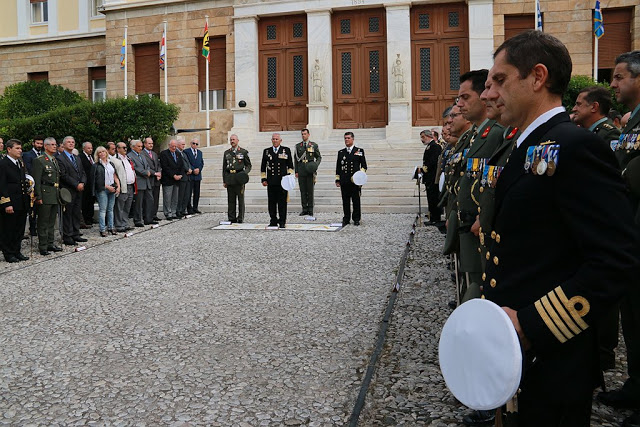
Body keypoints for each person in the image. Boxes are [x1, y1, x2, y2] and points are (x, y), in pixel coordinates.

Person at [482, 30, 638, 425]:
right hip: (520, 354)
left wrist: (532, 324)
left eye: (500, 80)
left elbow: (615, 259)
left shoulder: (573, 146)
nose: (488, 94)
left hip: (553, 355)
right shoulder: (528, 146)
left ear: (537, 77)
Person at [599, 50, 640, 427]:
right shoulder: (632, 123)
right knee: (634, 316)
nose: (613, 84)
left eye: (620, 76)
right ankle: (636, 384)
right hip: (628, 232)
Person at [0, 139, 31, 262]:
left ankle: (16, 251)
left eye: (20, 148)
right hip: (11, 202)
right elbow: (2, 185)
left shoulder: (20, 163)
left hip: (21, 201)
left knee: (19, 228)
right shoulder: (3, 164)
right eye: (17, 148)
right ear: (9, 149)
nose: (20, 150)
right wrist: (6, 203)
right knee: (8, 229)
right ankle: (8, 253)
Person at [32, 137, 63, 255]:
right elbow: (37, 180)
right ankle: (43, 246)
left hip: (54, 194)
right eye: (52, 145)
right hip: (45, 194)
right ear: (46, 146)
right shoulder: (39, 160)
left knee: (51, 221)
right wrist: (38, 196)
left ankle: (50, 243)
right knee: (43, 221)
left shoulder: (54, 160)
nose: (55, 146)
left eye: (55, 145)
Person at [56, 136, 88, 246]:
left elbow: (82, 172)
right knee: (68, 213)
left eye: (73, 142)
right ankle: (67, 235)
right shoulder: (60, 158)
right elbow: (63, 175)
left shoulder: (77, 157)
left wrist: (83, 183)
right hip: (68, 189)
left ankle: (75, 232)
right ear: (63, 145)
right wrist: (76, 184)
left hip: (79, 189)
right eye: (68, 142)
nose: (71, 144)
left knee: (76, 212)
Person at [261, 133, 293, 228]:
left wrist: (288, 176)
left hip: (282, 182)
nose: (275, 141)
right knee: (272, 202)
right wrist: (264, 178)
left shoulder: (286, 150)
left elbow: (290, 166)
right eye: (273, 139)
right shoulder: (267, 151)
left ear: (280, 140)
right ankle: (273, 220)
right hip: (271, 181)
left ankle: (282, 221)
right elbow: (263, 167)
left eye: (276, 139)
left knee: (282, 202)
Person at [335, 132, 367, 226]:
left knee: (356, 200)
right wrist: (337, 179)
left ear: (353, 139)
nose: (346, 140)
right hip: (344, 180)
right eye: (345, 138)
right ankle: (346, 218)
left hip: (355, 181)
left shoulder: (359, 151)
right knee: (345, 201)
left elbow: (364, 166)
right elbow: (338, 167)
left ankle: (356, 218)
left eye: (348, 138)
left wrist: (360, 176)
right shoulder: (341, 152)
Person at [91, 146, 120, 237]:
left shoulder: (111, 163)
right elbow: (95, 180)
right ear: (97, 154)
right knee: (103, 210)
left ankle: (111, 227)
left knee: (110, 209)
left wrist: (118, 186)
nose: (102, 153)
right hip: (102, 189)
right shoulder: (96, 165)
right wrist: (107, 187)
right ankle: (102, 229)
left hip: (112, 187)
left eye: (103, 151)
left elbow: (115, 175)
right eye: (100, 152)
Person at [223, 134, 251, 223]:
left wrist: (244, 174)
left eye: (234, 139)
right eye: (231, 140)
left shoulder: (243, 152)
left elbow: (248, 165)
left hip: (239, 178)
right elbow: (224, 168)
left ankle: (240, 217)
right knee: (231, 200)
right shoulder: (227, 153)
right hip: (230, 178)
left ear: (237, 140)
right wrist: (224, 180)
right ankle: (231, 217)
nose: (232, 141)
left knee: (240, 199)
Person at [128, 139, 155, 226]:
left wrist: (148, 171)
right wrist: (145, 172)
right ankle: (138, 220)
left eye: (141, 146)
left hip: (147, 181)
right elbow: (135, 167)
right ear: (133, 147)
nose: (140, 148)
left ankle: (148, 218)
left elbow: (147, 165)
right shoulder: (130, 156)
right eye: (138, 146)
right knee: (138, 203)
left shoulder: (142, 155)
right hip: (139, 182)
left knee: (149, 200)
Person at [294, 129, 322, 216]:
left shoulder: (313, 145)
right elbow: (296, 159)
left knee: (310, 191)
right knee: (303, 190)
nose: (303, 136)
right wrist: (296, 171)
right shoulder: (298, 146)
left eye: (305, 134)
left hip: (310, 170)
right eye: (302, 134)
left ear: (308, 134)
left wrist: (315, 165)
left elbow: (318, 157)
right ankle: (304, 209)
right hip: (301, 170)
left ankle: (310, 209)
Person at [22, 135, 44, 238]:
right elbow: (30, 169)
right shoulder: (27, 155)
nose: (39, 145)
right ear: (33, 143)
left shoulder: (44, 154)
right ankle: (32, 228)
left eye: (41, 143)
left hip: (43, 184)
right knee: (33, 208)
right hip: (33, 183)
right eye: (37, 143)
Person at [420, 129, 442, 225]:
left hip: (433, 176)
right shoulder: (430, 146)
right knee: (430, 197)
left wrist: (424, 169)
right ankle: (432, 216)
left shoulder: (435, 147)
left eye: (423, 137)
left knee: (434, 197)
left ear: (429, 136)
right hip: (429, 177)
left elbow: (433, 162)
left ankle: (435, 218)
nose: (422, 139)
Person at [113, 142, 135, 232]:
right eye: (123, 147)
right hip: (122, 185)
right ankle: (118, 224)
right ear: (118, 149)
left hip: (130, 185)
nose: (125, 149)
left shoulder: (127, 158)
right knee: (120, 206)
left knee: (127, 206)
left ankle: (125, 223)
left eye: (126, 148)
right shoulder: (115, 159)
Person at [159, 139, 182, 220]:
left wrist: (179, 175)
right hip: (168, 179)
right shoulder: (164, 154)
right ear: (169, 145)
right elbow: (165, 167)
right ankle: (168, 213)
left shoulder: (178, 153)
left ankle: (173, 212)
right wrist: (173, 175)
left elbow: (180, 165)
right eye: (172, 146)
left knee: (175, 198)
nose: (174, 148)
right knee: (167, 198)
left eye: (175, 146)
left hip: (177, 180)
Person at [142, 137, 162, 221]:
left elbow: (158, 165)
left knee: (156, 198)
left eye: (152, 143)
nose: (151, 145)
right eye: (149, 143)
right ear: (145, 144)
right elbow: (146, 167)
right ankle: (147, 216)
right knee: (149, 199)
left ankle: (154, 214)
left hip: (157, 180)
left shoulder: (154, 154)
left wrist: (159, 172)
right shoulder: (142, 154)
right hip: (149, 179)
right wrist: (155, 173)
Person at [185, 137, 204, 214]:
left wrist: (199, 169)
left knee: (197, 193)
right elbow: (187, 162)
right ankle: (189, 208)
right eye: (193, 143)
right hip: (190, 175)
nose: (195, 145)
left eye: (196, 144)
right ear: (191, 143)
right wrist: (193, 170)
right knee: (189, 193)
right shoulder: (186, 151)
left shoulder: (200, 152)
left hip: (198, 176)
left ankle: (195, 207)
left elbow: (201, 163)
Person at [78, 141, 95, 227]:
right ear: (84, 148)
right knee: (85, 202)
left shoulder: (92, 157)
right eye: (88, 148)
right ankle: (86, 219)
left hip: (92, 183)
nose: (90, 149)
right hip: (86, 183)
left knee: (91, 201)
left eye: (91, 148)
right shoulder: (81, 157)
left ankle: (90, 217)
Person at [176, 137, 192, 218]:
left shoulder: (184, 153)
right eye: (182, 144)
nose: (184, 146)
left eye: (184, 144)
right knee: (181, 195)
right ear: (178, 145)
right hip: (182, 176)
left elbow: (188, 162)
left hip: (187, 177)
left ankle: (183, 210)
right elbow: (182, 163)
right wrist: (187, 169)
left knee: (186, 195)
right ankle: (178, 210)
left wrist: (190, 169)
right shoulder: (177, 153)